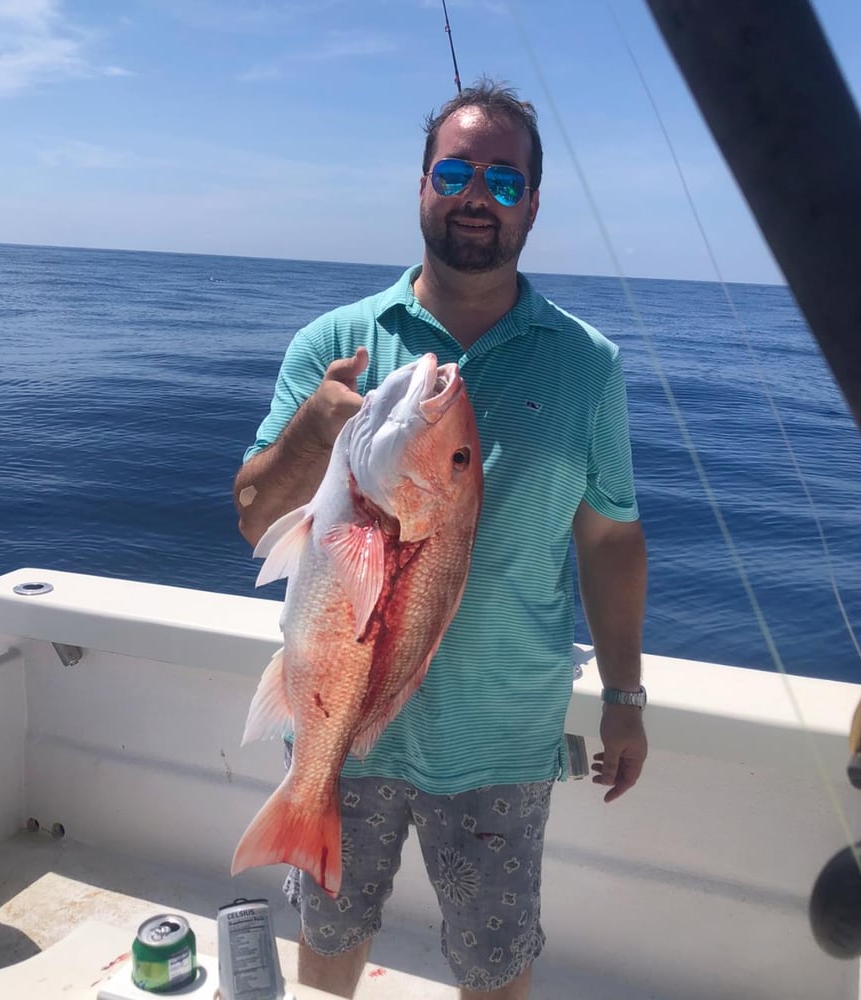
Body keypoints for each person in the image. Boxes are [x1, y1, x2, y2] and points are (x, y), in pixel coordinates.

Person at [233, 78, 648, 1000]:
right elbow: (257, 517)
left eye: (504, 182)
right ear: (421, 183)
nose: (475, 196)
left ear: (534, 205)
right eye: (455, 171)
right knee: (329, 938)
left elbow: (612, 541)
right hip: (343, 731)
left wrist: (625, 694)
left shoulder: (588, 366)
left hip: (504, 737)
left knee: (495, 966)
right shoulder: (335, 340)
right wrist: (313, 429)